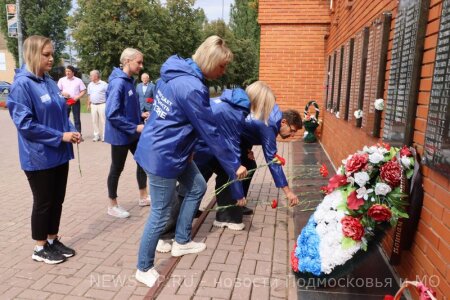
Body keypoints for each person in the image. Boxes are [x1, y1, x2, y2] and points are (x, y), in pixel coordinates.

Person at [134, 35, 248, 288]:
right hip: (163, 155)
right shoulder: (193, 86)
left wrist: (189, 147)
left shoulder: (175, 72)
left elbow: (176, 117)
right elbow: (210, 130)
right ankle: (143, 267)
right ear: (210, 61)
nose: (223, 71)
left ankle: (182, 241)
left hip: (174, 150)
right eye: (222, 66)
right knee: (160, 211)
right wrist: (234, 164)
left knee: (197, 186)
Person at [7, 35, 81, 264]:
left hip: (58, 153)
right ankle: (39, 248)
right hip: (38, 157)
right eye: (46, 55)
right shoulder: (22, 85)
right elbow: (26, 125)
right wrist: (61, 136)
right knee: (44, 201)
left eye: (52, 54)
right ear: (32, 54)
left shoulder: (49, 81)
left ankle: (51, 239)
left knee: (57, 199)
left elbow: (61, 110)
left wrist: (71, 130)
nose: (51, 59)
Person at [240, 81, 303, 207]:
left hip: (239, 139)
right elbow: (272, 160)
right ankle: (234, 206)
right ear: (284, 122)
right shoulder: (271, 123)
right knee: (242, 168)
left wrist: (247, 149)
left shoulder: (275, 114)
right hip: (228, 138)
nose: (292, 135)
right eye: (292, 131)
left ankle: (239, 202)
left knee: (250, 166)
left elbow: (251, 128)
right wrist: (288, 192)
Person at [105, 48, 150, 218]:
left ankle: (143, 196)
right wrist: (136, 127)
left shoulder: (129, 80)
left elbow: (126, 108)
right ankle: (112, 205)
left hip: (132, 132)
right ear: (127, 61)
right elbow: (112, 114)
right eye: (138, 62)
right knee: (117, 168)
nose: (141, 66)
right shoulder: (118, 83)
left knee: (143, 162)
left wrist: (140, 115)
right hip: (120, 135)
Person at [57, 65, 86, 135]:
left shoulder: (78, 80)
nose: (67, 73)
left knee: (77, 118)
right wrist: (63, 93)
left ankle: (78, 134)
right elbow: (57, 90)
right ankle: (65, 132)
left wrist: (77, 97)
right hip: (66, 100)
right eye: (66, 71)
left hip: (75, 100)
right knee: (65, 117)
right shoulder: (62, 80)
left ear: (73, 72)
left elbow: (83, 90)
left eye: (69, 71)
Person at [86, 70, 108, 142]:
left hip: (102, 104)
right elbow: (89, 95)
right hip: (93, 105)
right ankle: (96, 135)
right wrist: (88, 104)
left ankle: (105, 136)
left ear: (96, 76)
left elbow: (109, 95)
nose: (90, 77)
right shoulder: (90, 85)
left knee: (104, 121)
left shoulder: (104, 84)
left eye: (91, 75)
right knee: (94, 121)